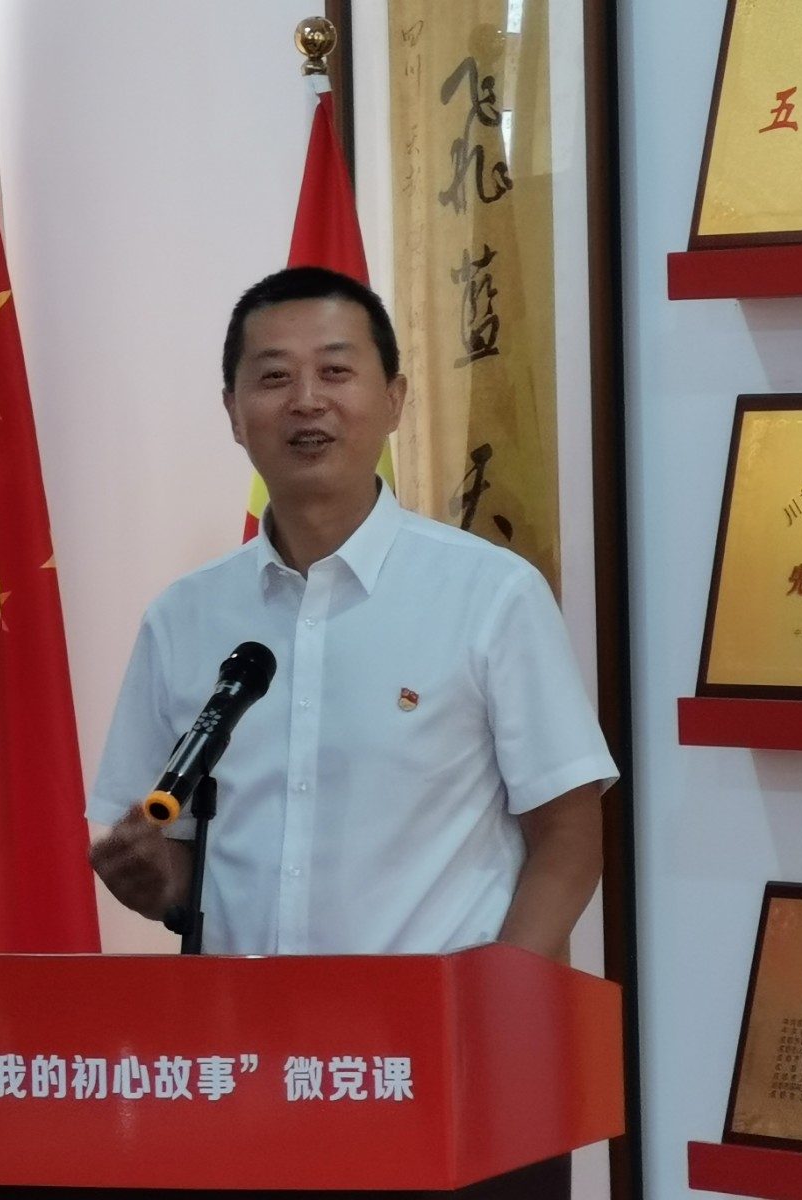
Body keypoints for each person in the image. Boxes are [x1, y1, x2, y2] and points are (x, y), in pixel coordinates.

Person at [87, 266, 617, 964]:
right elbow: (172, 859)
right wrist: (153, 878)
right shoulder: (182, 617)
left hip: (431, 1020)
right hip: (240, 1020)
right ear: (234, 413)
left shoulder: (491, 593)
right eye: (274, 378)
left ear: (394, 399)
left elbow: (569, 836)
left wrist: (499, 997)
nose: (307, 401)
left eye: (335, 372)